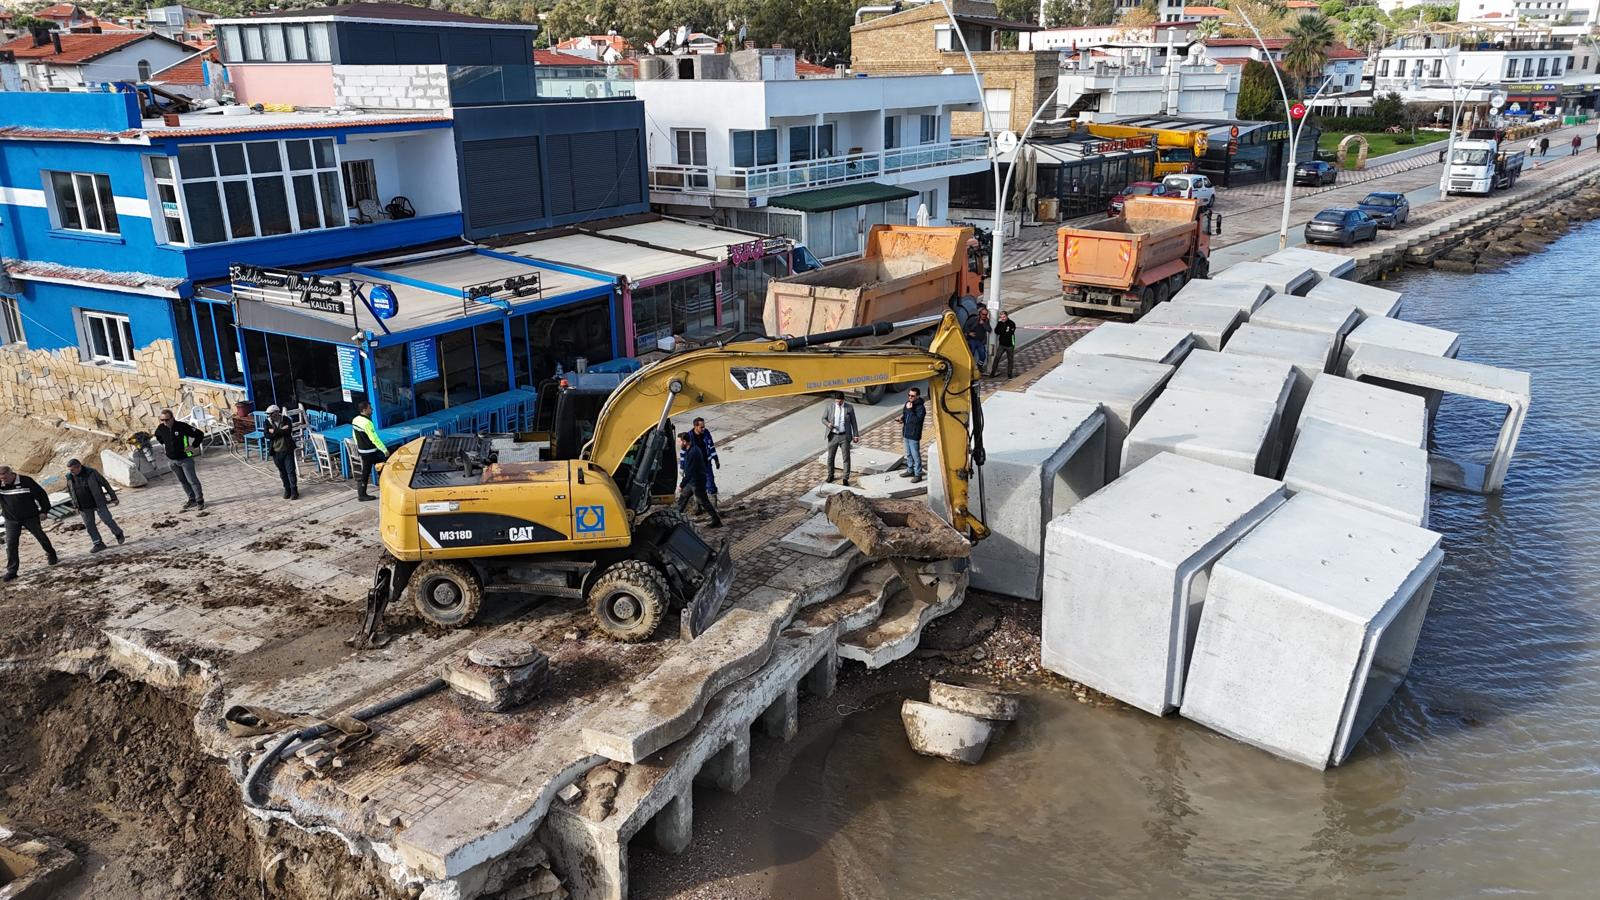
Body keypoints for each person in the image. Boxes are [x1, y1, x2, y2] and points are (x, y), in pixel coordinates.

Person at [0, 465, 57, 581]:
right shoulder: (0, 483)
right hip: (11, 519)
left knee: (41, 537)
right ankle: (12, 570)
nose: (3, 481)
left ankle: (51, 554)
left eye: (5, 478)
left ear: (11, 474)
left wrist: (44, 511)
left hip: (30, 517)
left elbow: (42, 495)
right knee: (11, 544)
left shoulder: (26, 481)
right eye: (1, 479)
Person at [65, 458, 123, 553]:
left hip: (98, 502)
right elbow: (71, 491)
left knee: (107, 520)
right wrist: (75, 505)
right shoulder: (69, 477)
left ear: (78, 467)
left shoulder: (91, 472)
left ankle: (118, 533)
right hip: (83, 506)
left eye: (72, 470)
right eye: (69, 470)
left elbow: (105, 483)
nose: (71, 472)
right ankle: (98, 543)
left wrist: (113, 497)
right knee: (89, 526)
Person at [154, 408, 205, 511]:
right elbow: (158, 436)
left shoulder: (182, 426)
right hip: (172, 461)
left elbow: (199, 434)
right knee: (182, 481)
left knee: (192, 480)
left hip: (185, 459)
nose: (165, 422)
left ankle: (199, 500)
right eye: (162, 420)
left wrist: (193, 446)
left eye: (167, 420)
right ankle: (192, 499)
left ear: (172, 418)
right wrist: (165, 445)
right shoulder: (161, 428)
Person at [675, 433, 723, 528]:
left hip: (697, 482)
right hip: (692, 481)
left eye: (679, 442)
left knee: (704, 501)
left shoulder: (693, 452)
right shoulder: (690, 449)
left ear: (684, 442)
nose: (678, 445)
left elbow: (689, 472)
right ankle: (675, 518)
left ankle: (716, 520)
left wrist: (681, 485)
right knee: (682, 499)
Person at [352, 402, 388, 502]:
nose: (372, 409)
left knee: (366, 471)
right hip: (370, 451)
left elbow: (354, 435)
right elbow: (374, 438)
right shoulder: (367, 423)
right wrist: (384, 449)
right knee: (384, 466)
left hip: (362, 451)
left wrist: (359, 445)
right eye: (370, 408)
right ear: (364, 410)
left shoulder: (355, 420)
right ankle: (385, 488)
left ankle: (362, 493)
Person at [263, 405, 300, 500]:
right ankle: (287, 489)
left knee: (291, 471)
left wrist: (274, 431)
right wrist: (281, 430)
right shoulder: (267, 422)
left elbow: (288, 431)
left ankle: (294, 490)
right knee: (282, 472)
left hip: (287, 450)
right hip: (276, 451)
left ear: (276, 413)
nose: (270, 416)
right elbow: (267, 435)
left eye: (271, 414)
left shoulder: (286, 419)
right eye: (269, 415)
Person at [822, 393, 859, 485]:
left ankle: (845, 478)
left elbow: (853, 422)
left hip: (845, 436)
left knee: (846, 458)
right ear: (835, 400)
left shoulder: (849, 407)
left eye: (840, 401)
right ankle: (831, 475)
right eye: (837, 401)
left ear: (843, 400)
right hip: (833, 436)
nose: (838, 403)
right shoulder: (829, 407)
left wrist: (856, 435)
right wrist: (828, 424)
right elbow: (823, 418)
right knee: (830, 457)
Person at [690, 417, 721, 511]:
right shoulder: (689, 436)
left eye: (704, 427)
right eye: (701, 427)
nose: (703, 429)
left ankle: (713, 507)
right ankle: (697, 506)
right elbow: (685, 453)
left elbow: (711, 446)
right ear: (695, 426)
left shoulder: (706, 433)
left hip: (706, 463)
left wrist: (716, 459)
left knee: (711, 483)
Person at [898, 387, 927, 484]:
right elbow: (905, 415)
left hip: (914, 435)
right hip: (906, 433)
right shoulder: (907, 404)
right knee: (908, 454)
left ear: (917, 396)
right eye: (909, 395)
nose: (910, 397)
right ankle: (910, 470)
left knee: (915, 455)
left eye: (912, 396)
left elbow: (917, 421)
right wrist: (902, 419)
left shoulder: (921, 408)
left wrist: (910, 410)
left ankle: (918, 474)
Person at [990, 310, 1017, 379]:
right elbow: (996, 331)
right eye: (1001, 317)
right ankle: (993, 372)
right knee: (997, 358)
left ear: (1007, 316)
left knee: (1010, 359)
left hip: (1010, 344)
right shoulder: (999, 323)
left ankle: (1009, 373)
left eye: (1004, 317)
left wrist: (1003, 331)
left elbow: (1010, 333)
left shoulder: (1011, 323)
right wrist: (1004, 331)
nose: (1003, 318)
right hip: (1002, 344)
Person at [964, 307, 991, 371]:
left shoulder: (986, 321)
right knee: (971, 354)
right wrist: (969, 333)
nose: (984, 316)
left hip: (980, 341)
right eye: (983, 314)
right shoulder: (973, 319)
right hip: (972, 340)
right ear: (980, 314)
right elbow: (965, 327)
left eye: (985, 314)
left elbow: (989, 329)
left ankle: (979, 366)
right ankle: (970, 368)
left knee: (983, 356)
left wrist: (983, 323)